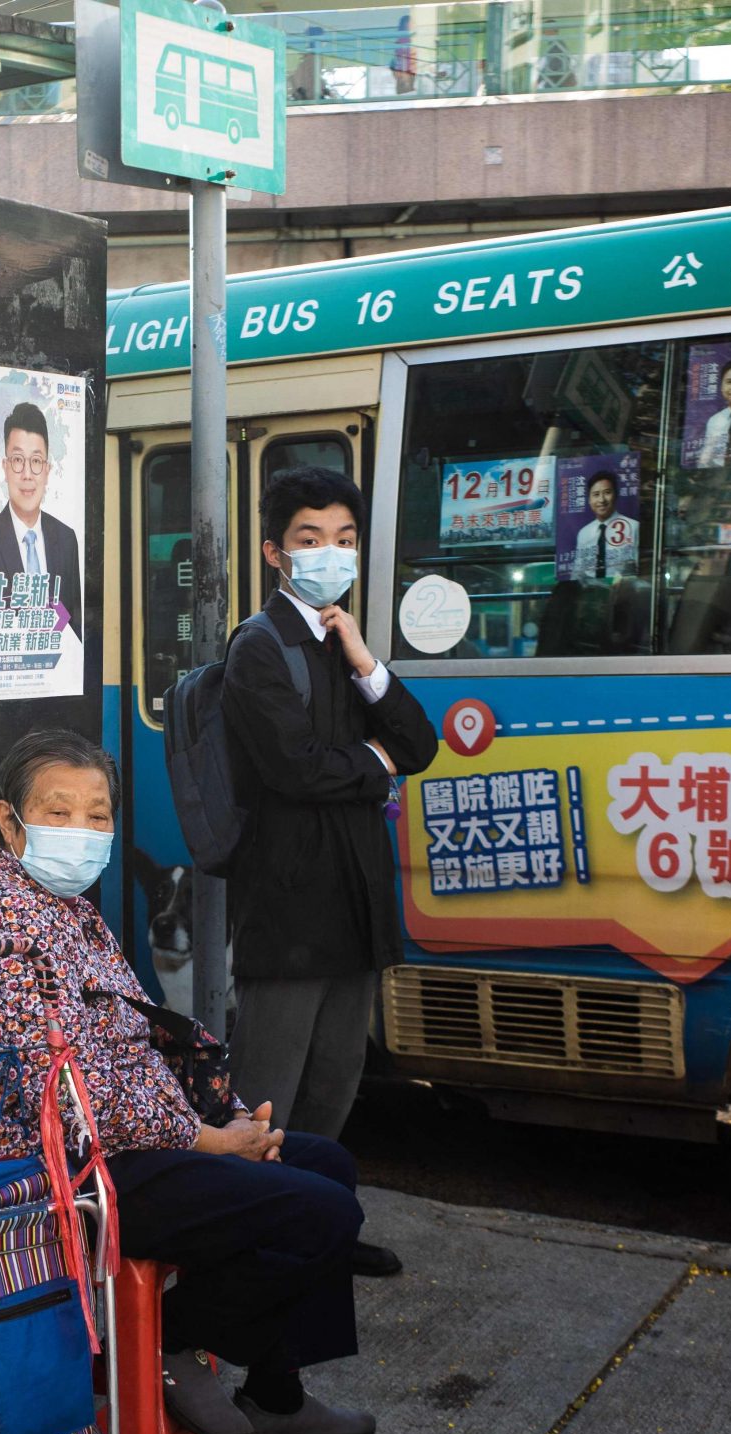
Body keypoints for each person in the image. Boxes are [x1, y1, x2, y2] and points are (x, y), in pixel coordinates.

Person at [0, 728, 375, 1434]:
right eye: (57, 811)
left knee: (326, 1166)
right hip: (60, 1174)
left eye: (97, 815)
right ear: (9, 822)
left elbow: (142, 1037)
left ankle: (276, 1392)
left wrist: (225, 1112)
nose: (81, 831)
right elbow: (68, 1097)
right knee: (318, 1211)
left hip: (126, 1146)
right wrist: (212, 1141)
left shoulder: (65, 908)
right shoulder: (1, 922)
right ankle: (172, 1340)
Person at [221, 464, 439, 1276]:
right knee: (268, 1088)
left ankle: (314, 1227)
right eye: (311, 540)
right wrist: (374, 763)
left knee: (336, 1082)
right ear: (277, 552)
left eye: (345, 540)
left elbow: (418, 744)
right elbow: (295, 769)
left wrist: (362, 657)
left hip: (354, 900)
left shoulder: (342, 642)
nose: (330, 554)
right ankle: (245, 1242)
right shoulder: (259, 646)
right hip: (288, 905)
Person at [0, 400, 81, 643]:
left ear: (47, 470)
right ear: (5, 467)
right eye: (17, 460)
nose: (27, 474)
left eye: (36, 461)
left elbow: (75, 627)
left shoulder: (66, 539)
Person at [566, 467, 636, 581]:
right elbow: (577, 574)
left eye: (607, 493)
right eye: (596, 494)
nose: (602, 500)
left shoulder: (633, 527)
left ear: (616, 495)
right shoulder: (584, 533)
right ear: (589, 500)